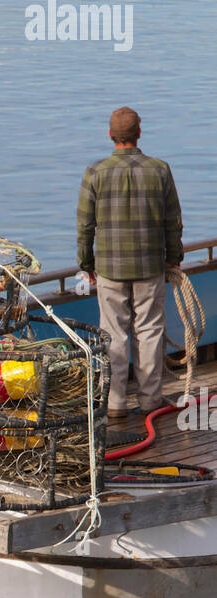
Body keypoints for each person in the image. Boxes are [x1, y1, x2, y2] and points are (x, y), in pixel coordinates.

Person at [76, 107, 183, 418]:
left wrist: (86, 263)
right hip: (150, 266)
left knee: (113, 333)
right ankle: (151, 400)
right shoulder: (159, 169)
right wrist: (173, 258)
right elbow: (172, 221)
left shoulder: (95, 172)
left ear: (110, 136)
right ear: (139, 134)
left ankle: (115, 403)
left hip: (109, 269)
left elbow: (85, 225)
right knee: (149, 331)